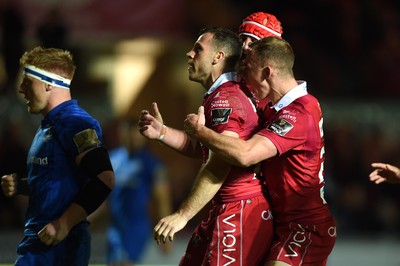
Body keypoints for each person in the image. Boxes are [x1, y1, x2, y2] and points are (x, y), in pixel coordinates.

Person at [184, 37, 337, 266]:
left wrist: (201, 131)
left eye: (248, 69)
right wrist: (165, 133)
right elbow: (219, 149)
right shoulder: (278, 108)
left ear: (267, 72)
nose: (243, 76)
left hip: (306, 226)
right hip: (281, 223)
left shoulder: (299, 113)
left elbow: (244, 154)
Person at [139, 27, 273, 265]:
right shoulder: (221, 94)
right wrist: (163, 133)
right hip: (227, 208)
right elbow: (208, 150)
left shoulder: (226, 99)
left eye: (198, 49)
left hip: (239, 211)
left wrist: (182, 215)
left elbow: (219, 165)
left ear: (217, 57)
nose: (189, 54)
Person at [0, 46, 115, 266]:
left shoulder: (76, 123)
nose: (21, 89)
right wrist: (22, 185)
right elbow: (60, 181)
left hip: (59, 248)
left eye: (27, 81)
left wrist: (64, 224)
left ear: (48, 83)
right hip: (41, 243)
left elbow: (105, 178)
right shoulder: (49, 125)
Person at [91, 118, 173, 265]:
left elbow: (162, 199)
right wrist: (88, 218)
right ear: (122, 133)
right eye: (130, 132)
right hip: (115, 228)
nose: (135, 137)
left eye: (138, 133)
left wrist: (165, 234)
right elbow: (103, 196)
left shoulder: (152, 164)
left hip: (136, 227)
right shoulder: (112, 159)